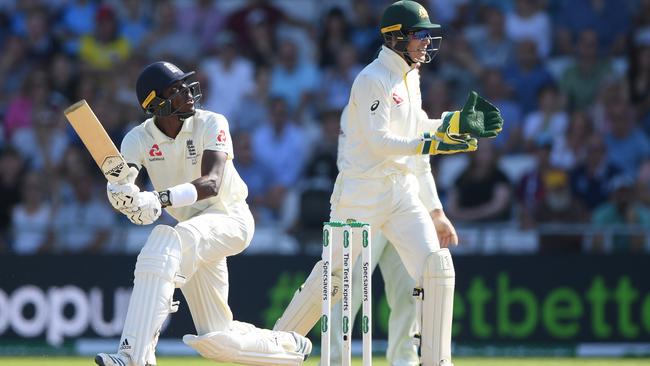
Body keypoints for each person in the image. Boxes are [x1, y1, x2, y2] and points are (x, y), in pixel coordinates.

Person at [272, 2, 503, 366]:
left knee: (435, 268)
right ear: (396, 37)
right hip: (361, 195)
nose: (427, 42)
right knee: (336, 281)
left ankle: (436, 360)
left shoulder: (410, 75)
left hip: (400, 192)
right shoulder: (371, 79)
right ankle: (277, 345)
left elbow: (414, 130)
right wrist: (434, 142)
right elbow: (381, 143)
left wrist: (452, 122)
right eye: (420, 35)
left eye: (429, 35)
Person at [95, 61, 312, 366]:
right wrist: (126, 201)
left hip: (229, 218)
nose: (187, 92)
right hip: (194, 230)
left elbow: (211, 183)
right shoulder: (137, 139)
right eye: (176, 89)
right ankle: (289, 348)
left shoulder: (212, 122)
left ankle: (132, 356)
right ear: (156, 104)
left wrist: (158, 199)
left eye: (186, 84)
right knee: (216, 339)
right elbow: (122, 183)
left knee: (164, 241)